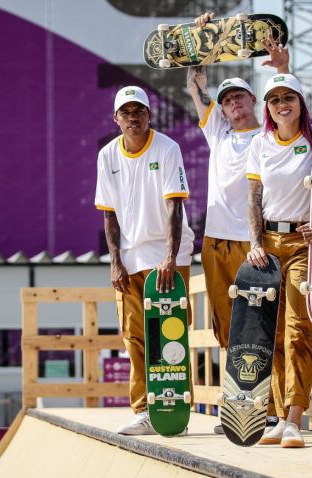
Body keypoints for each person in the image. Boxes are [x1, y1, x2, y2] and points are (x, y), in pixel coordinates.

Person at [186, 11, 290, 434]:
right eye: (226, 99)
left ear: (253, 102)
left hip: (256, 242)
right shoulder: (218, 132)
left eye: (239, 98)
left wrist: (282, 69)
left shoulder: (269, 134)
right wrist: (200, 41)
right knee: (226, 328)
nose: (231, 104)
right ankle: (239, 407)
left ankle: (273, 409)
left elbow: (290, 101)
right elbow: (196, 84)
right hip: (215, 243)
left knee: (266, 326)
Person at [95, 85, 195, 435]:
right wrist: (115, 261)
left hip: (167, 256)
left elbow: (175, 205)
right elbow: (108, 214)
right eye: (126, 112)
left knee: (171, 335)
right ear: (116, 118)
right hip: (130, 257)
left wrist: (169, 257)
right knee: (134, 336)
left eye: (139, 111)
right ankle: (144, 411)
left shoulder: (167, 148)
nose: (133, 117)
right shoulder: (107, 155)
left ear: (149, 115)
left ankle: (176, 410)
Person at [245, 73, 312, 447]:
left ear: (300, 101)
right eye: (275, 98)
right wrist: (254, 242)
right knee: (272, 332)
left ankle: (295, 417)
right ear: (267, 107)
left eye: (289, 96)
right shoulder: (260, 143)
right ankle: (279, 417)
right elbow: (253, 198)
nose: (282, 104)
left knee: (298, 329)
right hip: (268, 243)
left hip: (302, 243)